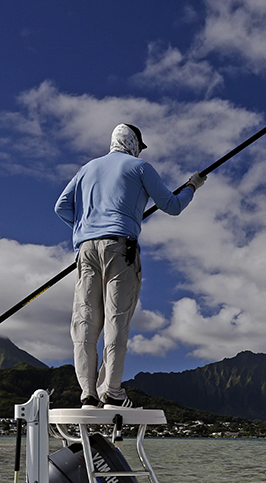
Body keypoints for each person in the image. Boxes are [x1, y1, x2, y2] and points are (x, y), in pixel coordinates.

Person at [55, 123, 205, 408]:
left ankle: (87, 393)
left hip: (85, 250)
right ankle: (110, 390)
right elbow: (171, 206)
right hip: (120, 247)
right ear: (134, 144)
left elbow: (61, 207)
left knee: (85, 321)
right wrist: (192, 186)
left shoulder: (86, 169)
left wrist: (86, 228)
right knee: (116, 319)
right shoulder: (140, 167)